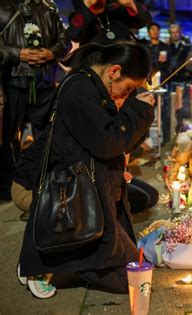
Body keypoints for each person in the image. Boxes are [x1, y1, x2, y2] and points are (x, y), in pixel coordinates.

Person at [18, 42, 156, 298]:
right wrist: (139, 111)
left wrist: (134, 110)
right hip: (76, 195)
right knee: (129, 281)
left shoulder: (94, 85)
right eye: (127, 89)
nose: (125, 96)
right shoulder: (80, 90)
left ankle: (61, 260)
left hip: (95, 190)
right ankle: (40, 264)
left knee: (139, 272)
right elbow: (108, 143)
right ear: (114, 71)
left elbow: (118, 142)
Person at [0, 0, 68, 201]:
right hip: (12, 80)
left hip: (45, 80)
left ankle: (44, 183)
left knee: (48, 133)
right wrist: (17, 54)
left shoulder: (48, 7)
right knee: (8, 135)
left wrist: (51, 52)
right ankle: (10, 184)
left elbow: (64, 41)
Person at [67, 0, 151, 45]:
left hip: (124, 62)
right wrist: (88, 10)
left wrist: (130, 4)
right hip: (95, 66)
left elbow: (144, 21)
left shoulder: (117, 12)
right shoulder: (79, 17)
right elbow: (73, 35)